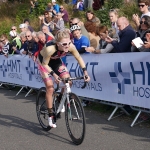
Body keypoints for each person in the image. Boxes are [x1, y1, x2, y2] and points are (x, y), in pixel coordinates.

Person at [37, 29, 90, 128]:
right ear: (58, 44)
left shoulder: (70, 46)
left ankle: (60, 100)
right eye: (64, 44)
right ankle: (50, 115)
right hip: (43, 63)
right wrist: (54, 75)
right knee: (50, 87)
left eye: (69, 43)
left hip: (56, 62)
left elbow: (79, 58)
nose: (67, 46)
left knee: (68, 82)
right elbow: (45, 64)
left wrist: (85, 72)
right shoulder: (50, 49)